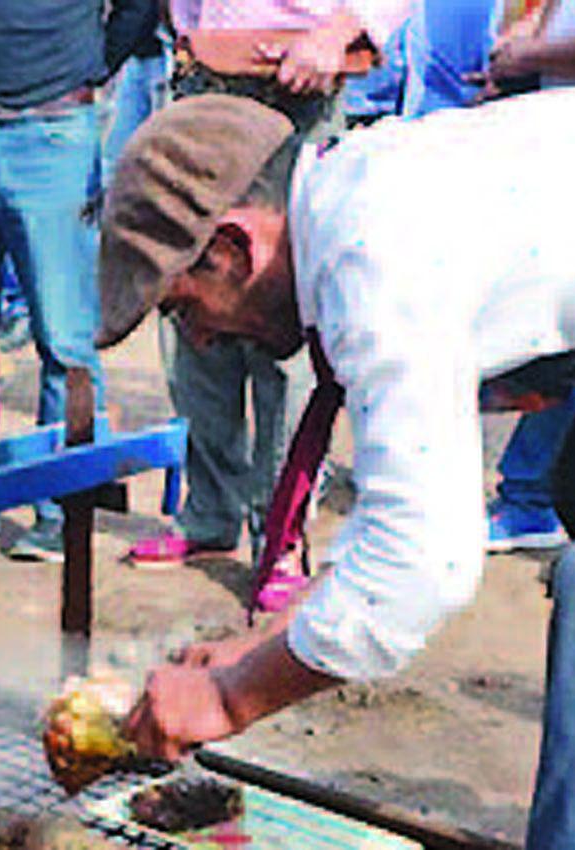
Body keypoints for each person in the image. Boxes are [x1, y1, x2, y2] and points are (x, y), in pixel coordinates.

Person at [83, 83, 575, 847]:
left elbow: (422, 565)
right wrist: (269, 641)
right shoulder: (358, 194)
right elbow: (399, 507)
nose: (197, 340)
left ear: (232, 246)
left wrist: (229, 698)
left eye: (184, 307)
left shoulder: (372, 255)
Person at [126, 0, 409, 605]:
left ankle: (279, 536)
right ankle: (209, 516)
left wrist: (338, 31)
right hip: (199, 86)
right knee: (192, 315)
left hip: (295, 96)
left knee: (283, 331)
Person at [0, 0, 155, 562]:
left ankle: (61, 509)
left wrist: (86, 68)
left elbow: (138, 8)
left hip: (50, 132)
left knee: (65, 339)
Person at [475, 0, 575, 552]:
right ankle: (531, 494)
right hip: (558, 149)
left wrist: (525, 55)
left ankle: (532, 498)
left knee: (565, 327)